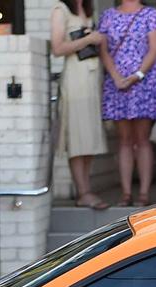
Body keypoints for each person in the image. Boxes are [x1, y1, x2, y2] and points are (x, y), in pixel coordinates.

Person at [98, 0, 156, 207]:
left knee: (142, 139)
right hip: (117, 82)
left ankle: (144, 193)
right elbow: (103, 50)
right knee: (124, 140)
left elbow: (155, 49)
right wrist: (116, 77)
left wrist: (137, 75)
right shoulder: (108, 15)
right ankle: (126, 193)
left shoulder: (150, 14)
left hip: (144, 82)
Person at [51, 0, 110, 210]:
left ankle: (87, 188)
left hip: (92, 78)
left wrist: (96, 40)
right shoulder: (61, 9)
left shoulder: (87, 10)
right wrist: (88, 40)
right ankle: (83, 192)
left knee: (90, 136)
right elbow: (57, 48)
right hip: (75, 79)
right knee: (77, 135)